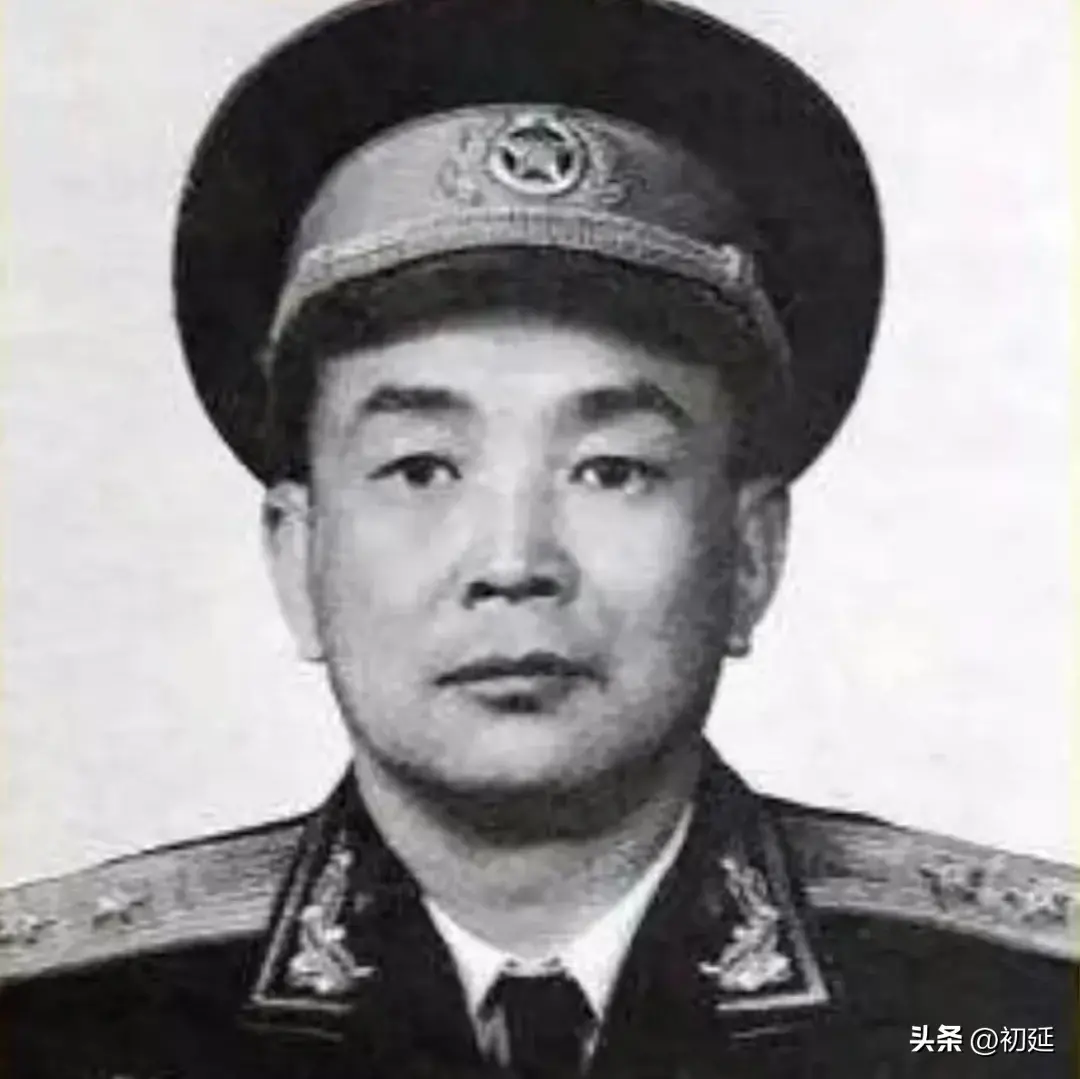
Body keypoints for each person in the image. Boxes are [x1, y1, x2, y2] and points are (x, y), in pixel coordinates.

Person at [1, 1, 1075, 1077]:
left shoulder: (1015, 1011)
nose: (513, 563)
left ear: (752, 554)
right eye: (422, 469)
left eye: (611, 470)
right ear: (295, 556)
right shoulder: (61, 1023)